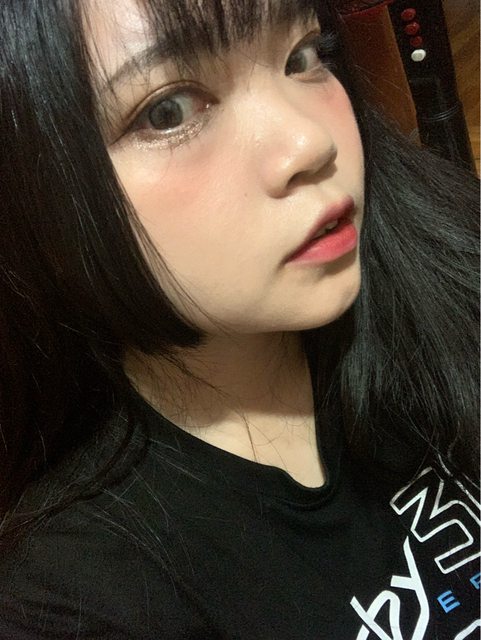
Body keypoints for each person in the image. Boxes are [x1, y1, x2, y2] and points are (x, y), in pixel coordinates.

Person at [0, 0, 479, 638]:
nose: (311, 142)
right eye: (168, 111)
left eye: (301, 56)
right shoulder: (82, 593)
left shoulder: (437, 268)